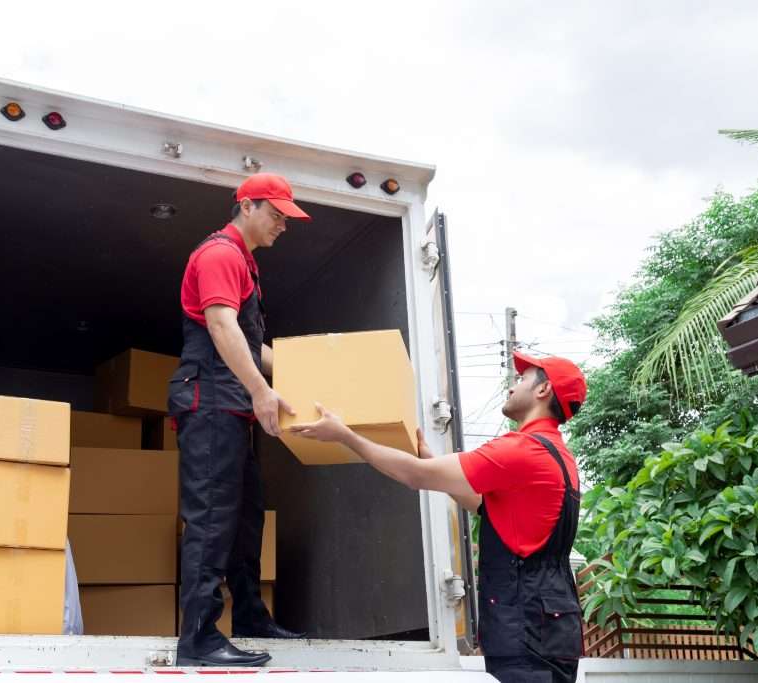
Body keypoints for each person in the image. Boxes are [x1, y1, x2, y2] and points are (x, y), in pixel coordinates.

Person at [290, 351, 587, 682]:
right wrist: (435, 465)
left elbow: (416, 476)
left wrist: (345, 436)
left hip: (528, 629)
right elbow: (488, 509)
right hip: (550, 625)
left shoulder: (521, 450)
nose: (512, 387)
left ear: (543, 391)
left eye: (522, 379)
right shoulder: (558, 456)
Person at [168, 173, 309, 668]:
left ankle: (249, 614)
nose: (282, 225)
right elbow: (221, 326)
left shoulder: (242, 262)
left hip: (229, 409)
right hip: (209, 405)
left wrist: (307, 374)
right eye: (276, 214)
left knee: (245, 516)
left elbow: (250, 346)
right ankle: (199, 640)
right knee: (211, 520)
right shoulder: (220, 255)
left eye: (286, 218)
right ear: (246, 206)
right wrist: (259, 389)